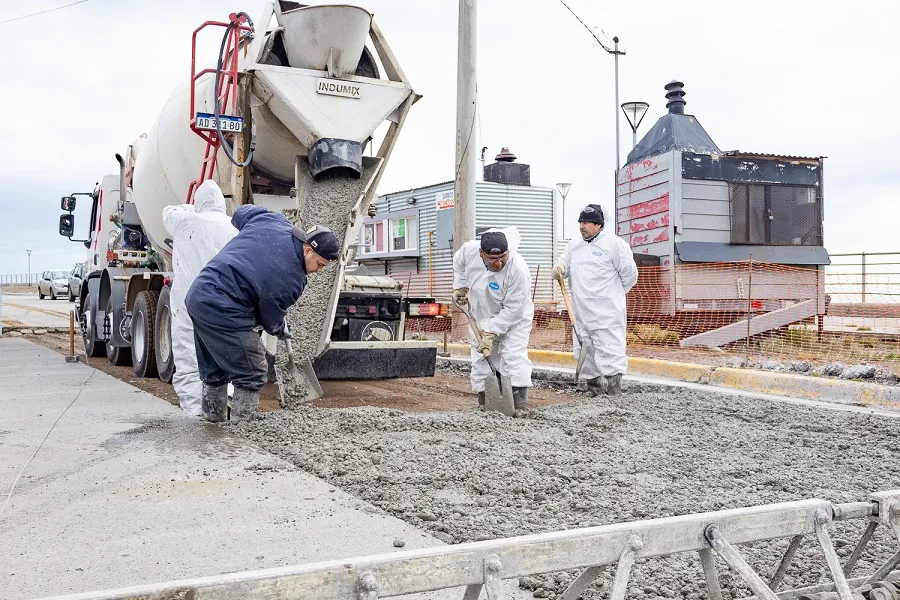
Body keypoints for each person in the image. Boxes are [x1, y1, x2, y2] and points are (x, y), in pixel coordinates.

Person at [185, 205, 340, 423]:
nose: (319, 270)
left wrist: (253, 246)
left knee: (215, 369)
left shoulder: (273, 221)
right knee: (252, 372)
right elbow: (269, 317)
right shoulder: (292, 278)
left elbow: (241, 213)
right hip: (225, 308)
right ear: (307, 250)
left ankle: (212, 424)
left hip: (198, 296)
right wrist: (278, 327)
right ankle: (243, 430)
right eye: (319, 264)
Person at [162, 181, 237, 417]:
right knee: (225, 358)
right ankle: (225, 407)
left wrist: (191, 208)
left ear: (199, 202)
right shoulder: (234, 228)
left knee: (189, 361)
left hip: (188, 304)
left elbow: (168, 212)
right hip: (224, 306)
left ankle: (195, 414)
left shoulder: (186, 221)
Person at [554, 204, 638, 396]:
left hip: (606, 312)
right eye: (581, 222)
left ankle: (613, 389)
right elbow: (565, 261)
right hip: (580, 311)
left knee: (610, 348)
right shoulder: (575, 245)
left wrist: (614, 294)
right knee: (585, 350)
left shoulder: (615, 245)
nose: (582, 226)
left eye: (587, 223)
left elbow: (630, 275)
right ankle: (594, 388)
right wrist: (560, 267)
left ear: (598, 225)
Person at [452, 227, 534, 412]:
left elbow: (514, 309)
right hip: (481, 314)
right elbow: (459, 263)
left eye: (502, 257)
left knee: (513, 356)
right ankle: (486, 403)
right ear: (481, 253)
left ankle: (518, 405)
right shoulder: (469, 251)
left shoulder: (518, 269)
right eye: (492, 259)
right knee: (481, 358)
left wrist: (492, 332)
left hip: (515, 320)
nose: (498, 263)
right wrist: (461, 286)